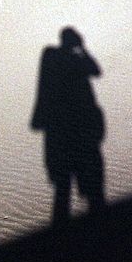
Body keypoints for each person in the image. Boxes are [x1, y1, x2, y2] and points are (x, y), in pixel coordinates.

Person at [30, 27, 106, 225]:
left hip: (65, 136)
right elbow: (96, 70)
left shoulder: (52, 57)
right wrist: (83, 49)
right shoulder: (66, 59)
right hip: (77, 135)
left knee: (65, 189)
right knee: (86, 189)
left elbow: (96, 71)